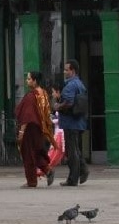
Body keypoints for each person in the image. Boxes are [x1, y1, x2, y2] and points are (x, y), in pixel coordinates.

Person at [15, 71, 55, 188]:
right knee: (36, 152)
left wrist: (22, 131)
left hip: (30, 129)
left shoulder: (31, 96)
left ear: (35, 80)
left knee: (28, 154)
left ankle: (31, 181)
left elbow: (27, 116)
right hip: (39, 128)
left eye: (28, 79)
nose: (27, 81)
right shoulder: (43, 94)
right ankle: (48, 170)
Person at [55, 59, 89, 187]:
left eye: (66, 70)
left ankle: (73, 178)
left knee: (72, 151)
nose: (64, 72)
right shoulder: (79, 83)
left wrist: (58, 106)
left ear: (73, 71)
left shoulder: (71, 85)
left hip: (70, 123)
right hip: (78, 122)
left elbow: (68, 102)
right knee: (75, 149)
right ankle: (83, 170)